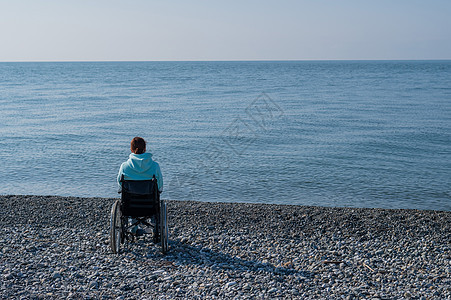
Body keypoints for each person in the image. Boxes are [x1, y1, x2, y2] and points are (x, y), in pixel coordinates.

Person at [117, 137, 163, 236]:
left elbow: (120, 183)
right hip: (150, 205)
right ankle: (154, 227)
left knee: (131, 194)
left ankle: (133, 228)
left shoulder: (124, 166)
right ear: (145, 149)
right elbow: (160, 185)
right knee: (153, 196)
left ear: (131, 149)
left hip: (130, 205)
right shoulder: (154, 166)